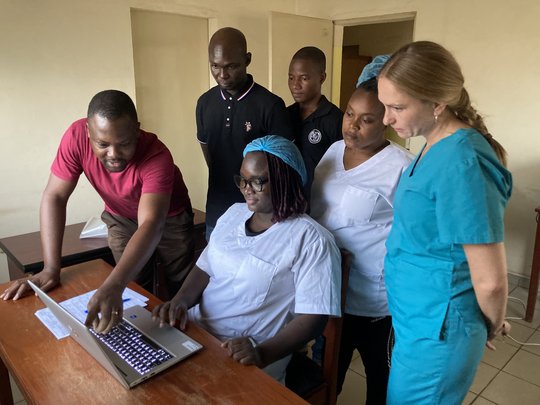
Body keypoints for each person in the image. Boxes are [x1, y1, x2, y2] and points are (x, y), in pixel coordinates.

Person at [377, 41, 513, 404]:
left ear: (437, 104)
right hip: (418, 321)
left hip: (439, 331)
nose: (387, 118)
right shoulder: (433, 145)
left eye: (397, 107)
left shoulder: (462, 161)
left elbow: (491, 282)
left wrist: (493, 323)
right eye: (385, 105)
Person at [1, 90, 194, 334]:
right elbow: (55, 196)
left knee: (180, 280)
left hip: (169, 218)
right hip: (120, 216)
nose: (113, 154)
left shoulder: (157, 156)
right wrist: (51, 268)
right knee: (134, 285)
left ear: (137, 130)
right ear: (88, 133)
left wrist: (113, 285)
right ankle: (145, 336)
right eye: (102, 144)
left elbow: (151, 224)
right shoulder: (75, 137)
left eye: (124, 144)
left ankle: (187, 335)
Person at [153, 135, 341, 383]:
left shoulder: (311, 240)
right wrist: (179, 301)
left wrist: (261, 353)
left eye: (257, 181)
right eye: (242, 179)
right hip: (197, 330)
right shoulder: (233, 214)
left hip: (246, 353)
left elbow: (314, 317)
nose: (246, 189)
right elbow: (204, 268)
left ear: (286, 179)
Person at [310, 58, 413, 404]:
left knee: (379, 382)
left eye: (366, 119)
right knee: (325, 377)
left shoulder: (400, 169)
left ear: (386, 121)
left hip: (374, 302)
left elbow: (414, 239)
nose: (352, 126)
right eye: (349, 114)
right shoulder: (333, 151)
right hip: (328, 291)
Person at [196, 27, 293, 240]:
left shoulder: (270, 106)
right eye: (215, 66)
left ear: (247, 59)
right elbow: (209, 153)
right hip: (218, 209)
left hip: (261, 216)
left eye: (231, 66)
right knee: (215, 269)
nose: (222, 75)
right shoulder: (204, 103)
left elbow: (282, 169)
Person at [287, 46, 343, 197]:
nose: (295, 85)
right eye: (291, 77)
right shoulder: (284, 115)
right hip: (287, 201)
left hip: (321, 204)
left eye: (304, 78)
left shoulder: (336, 119)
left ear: (322, 77)